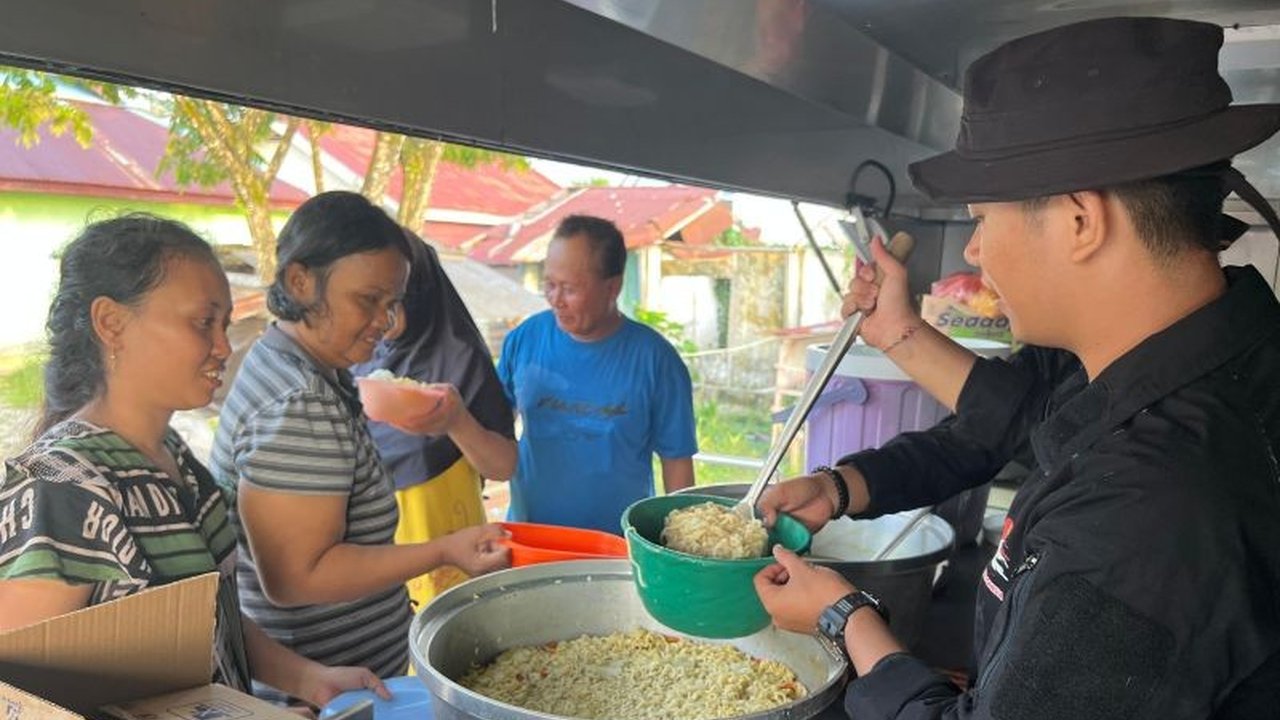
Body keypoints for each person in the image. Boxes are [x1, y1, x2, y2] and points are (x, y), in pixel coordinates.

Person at [756, 17, 1280, 718]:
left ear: (1078, 222)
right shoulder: (1206, 355)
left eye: (982, 218)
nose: (973, 252)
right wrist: (846, 480)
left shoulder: (1151, 512)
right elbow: (1011, 414)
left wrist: (844, 617)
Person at [0, 215, 388, 709]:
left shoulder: (181, 463)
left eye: (224, 324)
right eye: (204, 323)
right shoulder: (60, 489)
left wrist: (309, 678)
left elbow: (211, 617)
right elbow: (16, 697)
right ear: (112, 323)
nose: (224, 347)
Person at [208, 192, 509, 702]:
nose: (386, 322)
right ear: (301, 281)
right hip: (320, 693)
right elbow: (295, 578)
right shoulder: (298, 401)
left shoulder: (304, 366)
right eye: (368, 301)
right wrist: (442, 549)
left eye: (392, 304)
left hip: (347, 678)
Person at [424, 214, 698, 534]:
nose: (555, 300)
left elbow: (678, 468)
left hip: (614, 547)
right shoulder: (523, 340)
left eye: (569, 289)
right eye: (549, 284)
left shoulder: (656, 360)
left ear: (613, 287)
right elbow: (495, 444)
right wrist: (454, 419)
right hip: (531, 537)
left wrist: (676, 547)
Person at [351, 229, 515, 607]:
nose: (379, 316)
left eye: (392, 300)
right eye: (370, 299)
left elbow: (505, 465)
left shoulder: (459, 356)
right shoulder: (361, 349)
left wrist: (456, 421)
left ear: (419, 292)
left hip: (443, 526)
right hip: (377, 535)